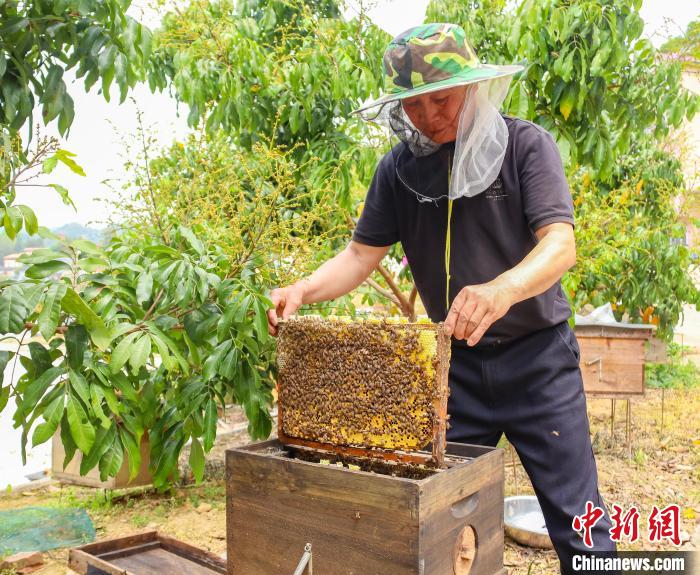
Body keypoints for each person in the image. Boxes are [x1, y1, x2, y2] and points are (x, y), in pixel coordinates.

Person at [267, 23, 616, 573]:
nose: (428, 116)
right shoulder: (396, 171)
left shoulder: (526, 145)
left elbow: (560, 244)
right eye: (414, 104)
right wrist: (302, 290)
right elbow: (359, 255)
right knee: (441, 520)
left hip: (539, 362)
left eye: (442, 99)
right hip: (453, 372)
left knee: (579, 521)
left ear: (472, 88)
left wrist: (502, 290)